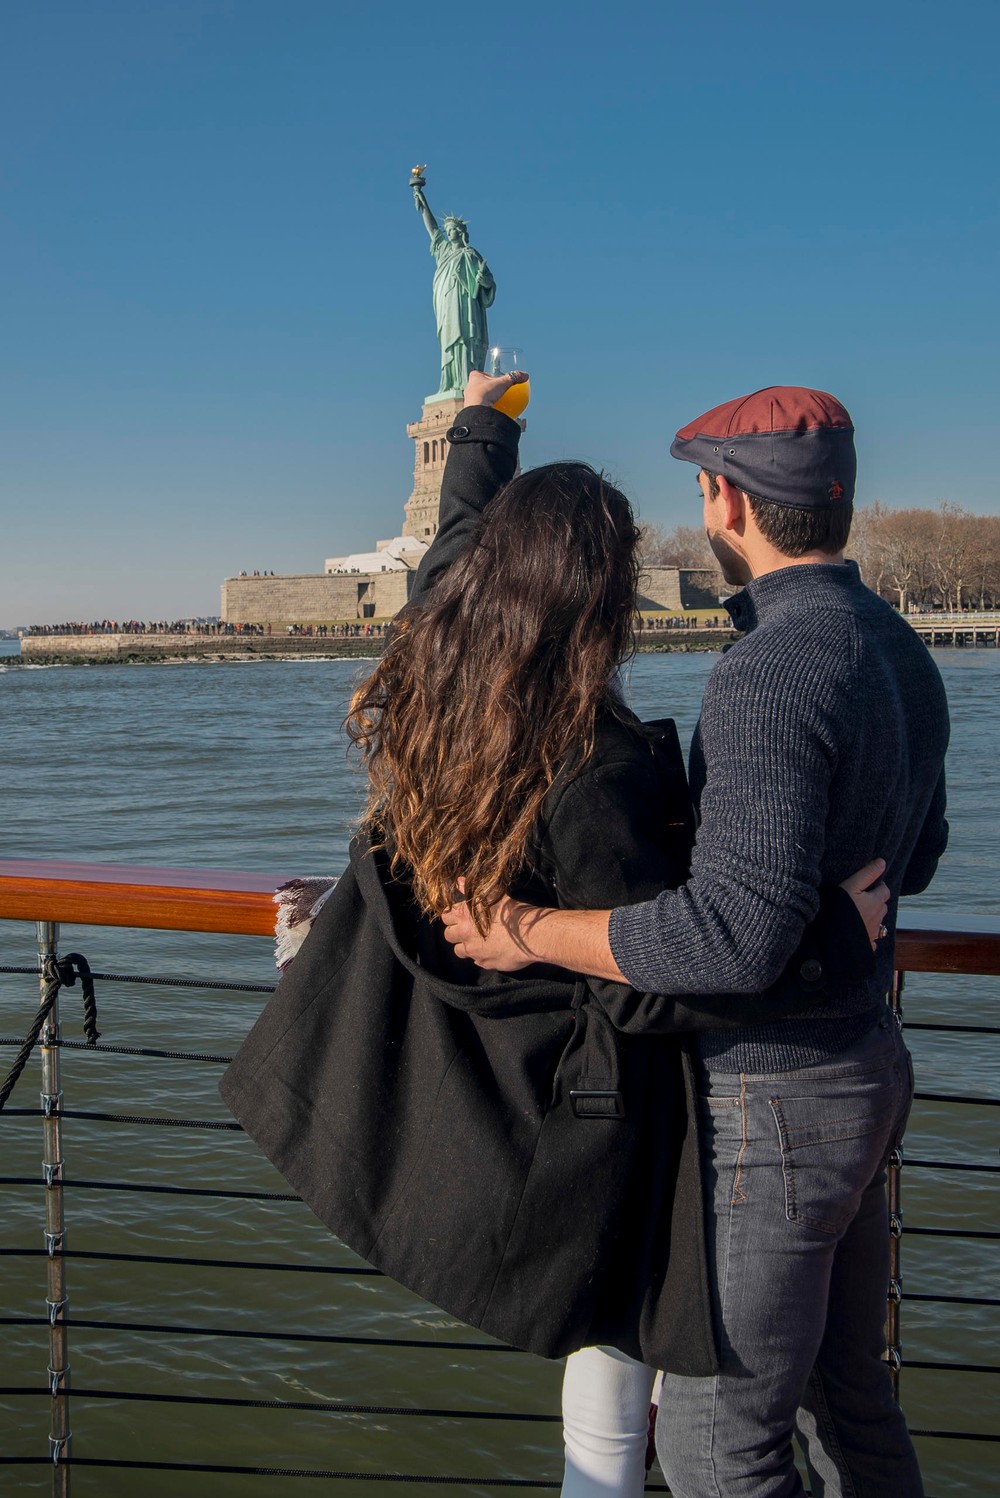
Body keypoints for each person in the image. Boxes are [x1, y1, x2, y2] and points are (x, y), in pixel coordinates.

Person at [220, 376, 887, 1493]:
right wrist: (825, 934)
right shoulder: (596, 766)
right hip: (591, 1114)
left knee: (606, 1376)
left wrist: (485, 423)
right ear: (604, 597)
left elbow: (453, 543)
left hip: (482, 1074)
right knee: (625, 1360)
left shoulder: (432, 669)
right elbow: (656, 974)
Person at [443, 386, 950, 1497]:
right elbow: (914, 859)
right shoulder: (897, 646)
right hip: (867, 1069)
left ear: (726, 499)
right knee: (846, 1405)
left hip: (774, 1105)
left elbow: (728, 937)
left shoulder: (770, 668)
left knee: (719, 1448)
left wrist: (522, 927)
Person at [413, 182, 495, 395]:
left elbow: (487, 285)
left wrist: (483, 279)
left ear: (460, 232)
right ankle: (450, 383)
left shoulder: (470, 254)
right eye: (447, 230)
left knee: (465, 339)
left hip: (465, 304)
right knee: (449, 341)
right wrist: (423, 203)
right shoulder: (443, 251)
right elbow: (432, 229)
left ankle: (467, 385)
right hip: (446, 303)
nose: (448, 233)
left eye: (451, 230)